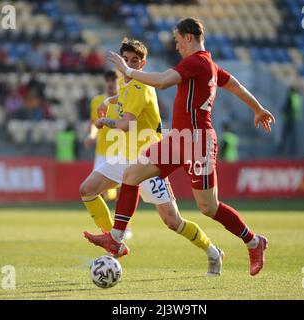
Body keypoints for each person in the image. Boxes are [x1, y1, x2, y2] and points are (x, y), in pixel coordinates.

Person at [84, 18, 276, 276]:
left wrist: (127, 71)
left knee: (208, 207)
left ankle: (254, 241)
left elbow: (163, 81)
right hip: (177, 139)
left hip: (198, 142)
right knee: (132, 175)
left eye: (177, 40)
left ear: (189, 37)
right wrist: (258, 108)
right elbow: (235, 85)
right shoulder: (207, 65)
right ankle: (116, 238)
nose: (176, 47)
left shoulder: (196, 61)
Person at [80, 38, 224, 276]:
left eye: (134, 61)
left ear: (143, 63)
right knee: (87, 189)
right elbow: (124, 99)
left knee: (173, 221)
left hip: (149, 162)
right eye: (125, 60)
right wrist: (109, 101)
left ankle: (212, 251)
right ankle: (114, 241)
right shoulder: (128, 86)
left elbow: (126, 124)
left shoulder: (140, 86)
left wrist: (105, 120)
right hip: (124, 157)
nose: (129, 64)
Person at [84, 69, 120, 201]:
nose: (110, 83)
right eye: (108, 80)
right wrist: (91, 136)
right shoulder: (97, 101)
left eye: (114, 80)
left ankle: (122, 222)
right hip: (102, 152)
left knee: (122, 191)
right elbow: (94, 123)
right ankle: (104, 221)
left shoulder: (125, 100)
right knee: (97, 190)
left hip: (122, 152)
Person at [277, 86, 302, 156]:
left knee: (285, 135)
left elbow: (286, 107)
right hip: (293, 118)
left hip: (289, 118)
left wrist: (282, 111)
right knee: (292, 135)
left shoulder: (290, 97)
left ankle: (281, 151)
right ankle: (293, 151)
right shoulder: (296, 97)